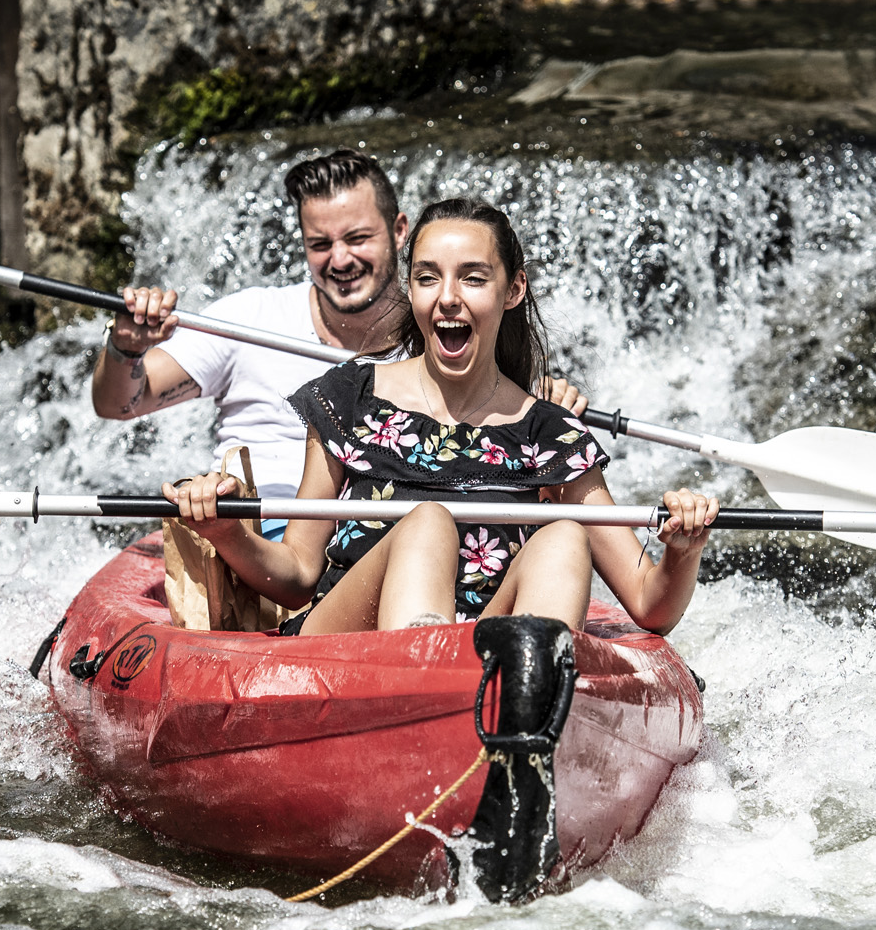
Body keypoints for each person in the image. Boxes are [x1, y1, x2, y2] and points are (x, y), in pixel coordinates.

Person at [161, 198, 719, 637]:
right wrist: (225, 531)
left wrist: (683, 549)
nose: (447, 297)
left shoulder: (551, 436)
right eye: (428, 277)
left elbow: (650, 604)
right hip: (345, 656)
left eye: (472, 278)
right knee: (427, 521)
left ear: (513, 290)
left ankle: (520, 714)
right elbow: (297, 575)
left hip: (479, 668)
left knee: (567, 537)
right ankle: (418, 688)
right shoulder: (348, 396)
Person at [91, 151, 584, 535]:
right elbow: (118, 404)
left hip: (393, 540)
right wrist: (126, 348)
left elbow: (499, 417)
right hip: (264, 537)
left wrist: (543, 405)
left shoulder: (448, 334)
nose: (340, 259)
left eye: (358, 238)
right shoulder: (247, 318)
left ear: (399, 232)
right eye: (320, 244)